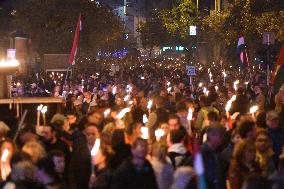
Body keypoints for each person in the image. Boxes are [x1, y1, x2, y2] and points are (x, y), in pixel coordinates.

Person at [69, 123, 100, 189]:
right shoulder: (79, 150)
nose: (90, 136)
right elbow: (73, 169)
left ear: (98, 134)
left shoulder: (103, 150)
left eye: (93, 134)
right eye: (88, 134)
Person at [201, 123, 225, 189]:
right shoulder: (204, 152)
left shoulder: (215, 152)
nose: (222, 138)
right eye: (220, 135)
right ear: (211, 135)